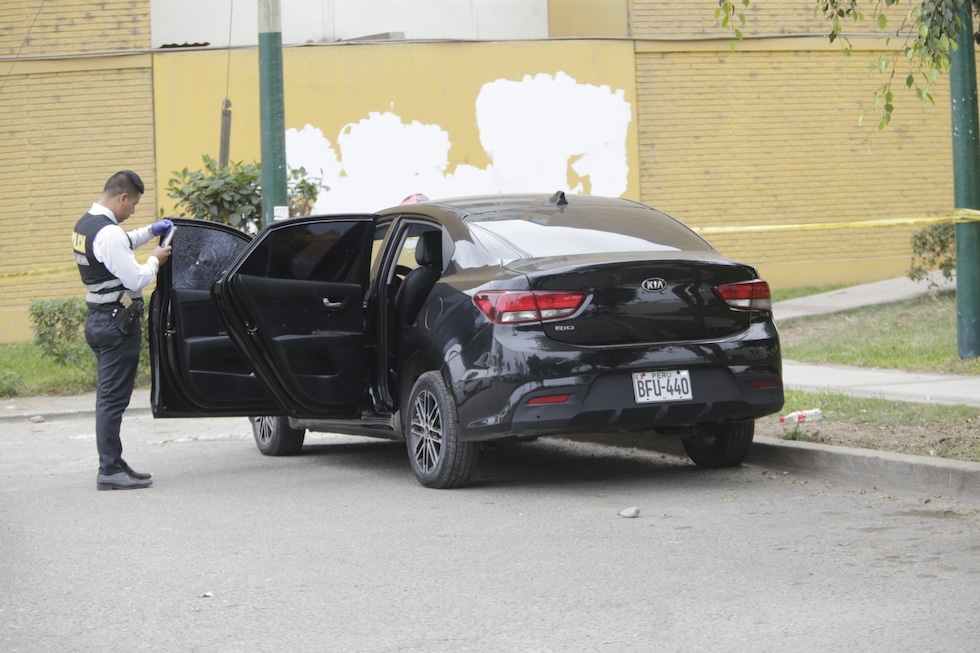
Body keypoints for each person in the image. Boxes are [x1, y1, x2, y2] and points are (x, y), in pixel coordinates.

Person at [71, 170, 173, 491]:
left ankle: (115, 462)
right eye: (134, 205)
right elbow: (135, 279)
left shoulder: (86, 225)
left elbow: (123, 242)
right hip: (117, 323)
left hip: (100, 318)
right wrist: (155, 260)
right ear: (122, 197)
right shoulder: (108, 233)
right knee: (113, 400)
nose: (133, 212)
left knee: (109, 397)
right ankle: (110, 469)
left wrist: (151, 231)